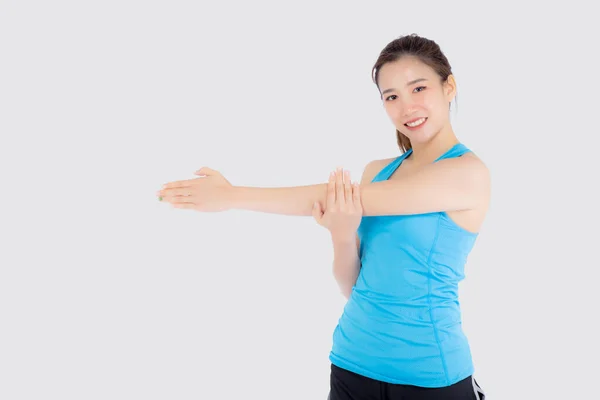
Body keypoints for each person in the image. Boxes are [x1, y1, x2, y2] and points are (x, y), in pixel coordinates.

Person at [157, 33, 489, 400]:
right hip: (351, 364)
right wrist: (342, 234)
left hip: (429, 377)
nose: (406, 106)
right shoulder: (378, 172)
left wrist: (233, 196)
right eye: (391, 96)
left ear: (449, 86)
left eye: (418, 88)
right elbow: (353, 287)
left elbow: (329, 197)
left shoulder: (467, 173)